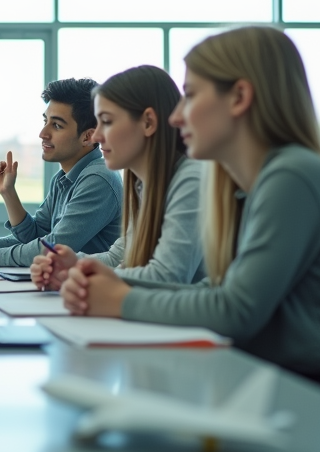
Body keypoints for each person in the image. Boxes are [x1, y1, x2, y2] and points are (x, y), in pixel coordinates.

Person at [62, 27, 320, 396]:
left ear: (240, 97)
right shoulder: (254, 181)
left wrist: (120, 298)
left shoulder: (291, 174)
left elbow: (235, 310)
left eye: (191, 95)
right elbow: (220, 288)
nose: (177, 117)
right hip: (284, 383)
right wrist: (112, 281)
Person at [31, 66, 205, 290]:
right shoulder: (144, 185)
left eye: (107, 121)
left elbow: (167, 277)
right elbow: (119, 260)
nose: (97, 135)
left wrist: (80, 274)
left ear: (148, 123)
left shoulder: (189, 181)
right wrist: (71, 267)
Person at [0, 78, 122, 268]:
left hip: (89, 292)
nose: (43, 133)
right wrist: (7, 195)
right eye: (46, 121)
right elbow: (38, 235)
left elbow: (53, 247)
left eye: (57, 125)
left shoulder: (98, 179)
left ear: (88, 136)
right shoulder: (63, 178)